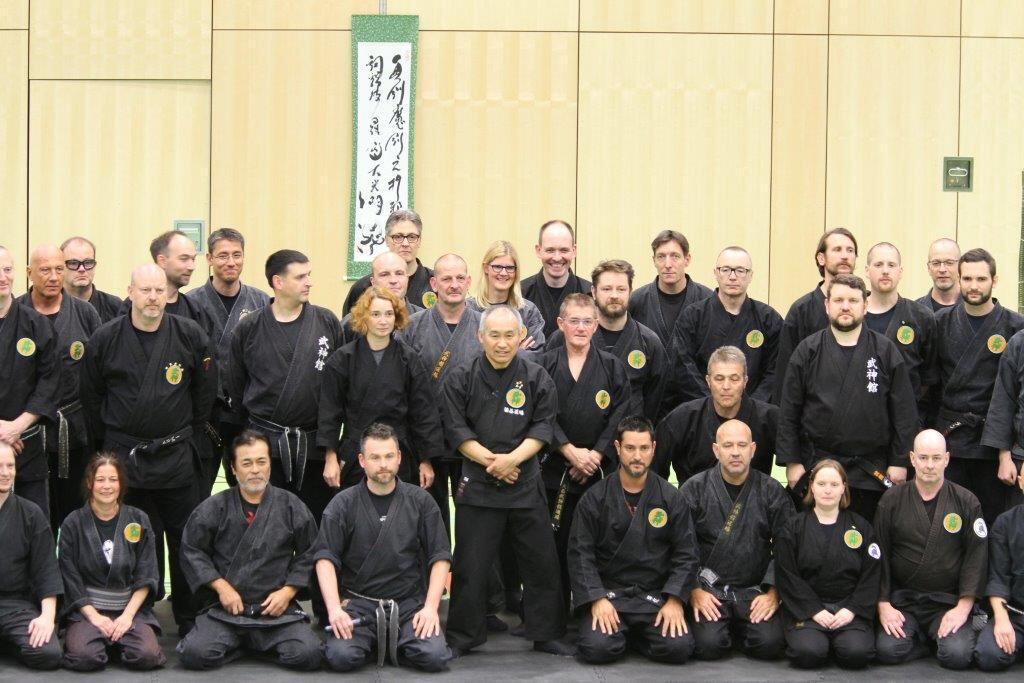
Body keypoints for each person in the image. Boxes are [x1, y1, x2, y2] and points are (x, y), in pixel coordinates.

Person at [80, 263, 217, 634]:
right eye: (146, 290)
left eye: (160, 291)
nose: (154, 298)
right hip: (127, 458)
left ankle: (189, 616)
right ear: (130, 292)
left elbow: (204, 393)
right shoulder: (106, 338)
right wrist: (114, 440)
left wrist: (184, 431)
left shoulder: (189, 334)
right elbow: (91, 397)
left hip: (176, 454)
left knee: (186, 537)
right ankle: (140, 614)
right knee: (135, 535)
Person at [442, 305, 572, 656]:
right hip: (478, 482)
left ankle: (546, 632)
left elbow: (543, 426)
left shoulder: (536, 376)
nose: (502, 343)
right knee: (470, 564)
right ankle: (463, 636)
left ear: (521, 337)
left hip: (524, 481)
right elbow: (456, 429)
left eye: (509, 335)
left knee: (541, 561)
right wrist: (493, 462)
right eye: (494, 335)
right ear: (480, 336)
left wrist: (512, 460)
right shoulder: (461, 376)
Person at [177, 430, 322, 671]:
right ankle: (254, 645)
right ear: (233, 469)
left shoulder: (291, 506)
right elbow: (192, 550)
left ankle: (244, 645)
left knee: (310, 654)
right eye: (247, 463)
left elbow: (311, 552)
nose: (255, 470)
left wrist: (288, 591)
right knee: (194, 653)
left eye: (261, 462)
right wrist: (221, 587)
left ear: (269, 465)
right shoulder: (214, 507)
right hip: (227, 612)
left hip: (275, 611)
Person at [778, 274, 918, 520]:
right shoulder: (807, 351)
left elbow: (904, 412)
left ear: (865, 305)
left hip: (871, 471)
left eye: (853, 301)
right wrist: (792, 462)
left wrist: (899, 461)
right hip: (819, 468)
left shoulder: (885, 351)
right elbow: (789, 410)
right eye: (838, 300)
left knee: (869, 537)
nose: (845, 306)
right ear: (827, 305)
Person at [316, 423, 452, 672]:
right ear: (362, 460)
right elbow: (325, 558)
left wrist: (431, 608)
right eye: (375, 457)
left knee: (435, 656)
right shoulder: (342, 504)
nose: (383, 464)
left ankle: (394, 639)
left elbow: (440, 556)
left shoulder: (421, 501)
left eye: (389, 456)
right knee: (340, 656)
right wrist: (335, 609)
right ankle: (383, 640)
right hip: (359, 604)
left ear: (399, 457)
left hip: (409, 604)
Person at [569, 416, 698, 665]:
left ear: (653, 448)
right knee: (596, 649)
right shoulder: (595, 498)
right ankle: (625, 634)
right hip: (610, 596)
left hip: (654, 598)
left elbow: (686, 553)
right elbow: (580, 554)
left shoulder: (671, 498)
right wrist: (597, 599)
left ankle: (632, 637)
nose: (637, 456)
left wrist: (674, 600)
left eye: (644, 448)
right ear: (617, 448)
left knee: (678, 648)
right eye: (630, 448)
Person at [228, 249, 344, 522]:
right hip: (265, 447)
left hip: (315, 446)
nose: (309, 282)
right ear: (278, 282)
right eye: (300, 277)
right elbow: (236, 387)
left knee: (314, 524)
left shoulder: (326, 322)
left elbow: (337, 391)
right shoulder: (249, 328)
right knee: (266, 526)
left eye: (309, 275)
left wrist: (331, 450)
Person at [538, 294, 631, 609]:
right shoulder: (544, 365)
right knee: (555, 544)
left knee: (597, 542)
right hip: (555, 470)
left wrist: (597, 453)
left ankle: (595, 608)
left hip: (597, 471)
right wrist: (568, 451)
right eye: (573, 321)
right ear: (560, 324)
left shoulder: (612, 367)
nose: (580, 327)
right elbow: (540, 414)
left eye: (587, 321)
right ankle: (554, 614)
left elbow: (620, 414)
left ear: (596, 325)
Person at [874, 429, 988, 670]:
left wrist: (963, 608)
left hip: (947, 603)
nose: (929, 465)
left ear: (946, 459)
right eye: (923, 457)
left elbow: (976, 557)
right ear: (912, 459)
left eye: (936, 458)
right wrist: (883, 604)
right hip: (904, 602)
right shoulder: (891, 500)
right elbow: (879, 554)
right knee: (887, 651)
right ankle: (926, 642)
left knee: (956, 656)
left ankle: (932, 639)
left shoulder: (966, 501)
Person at [681, 419, 794, 661]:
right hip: (708, 591)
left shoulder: (772, 490)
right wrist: (694, 590)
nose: (735, 452)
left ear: (753, 449)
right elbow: (679, 546)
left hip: (754, 591)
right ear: (716, 450)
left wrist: (773, 593)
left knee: (770, 644)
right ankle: (727, 629)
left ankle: (738, 629)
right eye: (728, 445)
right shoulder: (694, 489)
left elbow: (787, 546)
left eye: (742, 445)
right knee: (709, 646)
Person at [318, 286, 443, 490]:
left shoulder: (409, 359)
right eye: (375, 314)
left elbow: (423, 412)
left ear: (397, 317)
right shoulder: (343, 359)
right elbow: (329, 412)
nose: (383, 321)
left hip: (399, 452)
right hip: (356, 451)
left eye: (388, 314)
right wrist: (331, 457)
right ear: (363, 317)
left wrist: (425, 460)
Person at [933, 248, 1024, 523]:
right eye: (968, 279)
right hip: (951, 438)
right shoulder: (939, 323)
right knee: (950, 519)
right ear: (959, 279)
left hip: (992, 441)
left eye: (981, 279)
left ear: (994, 281)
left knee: (992, 518)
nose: (974, 286)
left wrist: (1006, 450)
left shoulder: (1015, 326)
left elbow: (1012, 395)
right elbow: (929, 385)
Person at [18, 244, 102, 530]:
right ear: (29, 273)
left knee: (75, 514)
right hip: (27, 432)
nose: (53, 277)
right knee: (32, 517)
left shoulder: (85, 313)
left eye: (58, 269)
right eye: (45, 270)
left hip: (74, 429)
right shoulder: (16, 313)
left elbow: (98, 373)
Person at [397, 254, 481, 534]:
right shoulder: (412, 327)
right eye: (446, 278)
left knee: (472, 521)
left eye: (460, 278)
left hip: (472, 439)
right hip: (425, 438)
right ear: (434, 284)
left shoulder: (485, 327)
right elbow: (403, 387)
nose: (454, 284)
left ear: (468, 282)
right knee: (428, 519)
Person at [59, 453, 165, 671]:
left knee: (147, 656)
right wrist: (95, 618)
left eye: (113, 479)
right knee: (84, 658)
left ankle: (113, 641)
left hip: (129, 609)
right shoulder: (73, 523)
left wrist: (127, 617)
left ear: (121, 484)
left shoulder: (138, 519)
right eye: (100, 479)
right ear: (89, 483)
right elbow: (70, 577)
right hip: (87, 610)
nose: (106, 486)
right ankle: (105, 641)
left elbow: (147, 573)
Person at [775, 460, 880, 670]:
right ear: (811, 486)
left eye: (834, 484)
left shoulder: (861, 527)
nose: (828, 490)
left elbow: (872, 574)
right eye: (821, 484)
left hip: (849, 610)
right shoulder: (793, 528)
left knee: (856, 654)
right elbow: (787, 575)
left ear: (843, 488)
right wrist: (814, 610)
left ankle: (841, 641)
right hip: (807, 610)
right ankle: (819, 640)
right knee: (808, 653)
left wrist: (851, 609)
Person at [186, 228, 270, 489]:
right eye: (223, 255)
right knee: (199, 487)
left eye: (237, 255)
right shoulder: (191, 303)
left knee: (248, 487)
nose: (231, 262)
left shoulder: (261, 301)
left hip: (246, 411)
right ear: (209, 259)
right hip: (205, 414)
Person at [547, 259, 667, 422]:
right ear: (594, 292)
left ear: (630, 292)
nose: (614, 295)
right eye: (607, 289)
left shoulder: (649, 342)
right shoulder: (564, 337)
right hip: (574, 432)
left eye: (621, 289)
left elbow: (655, 399)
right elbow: (547, 391)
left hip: (628, 433)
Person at [668, 246, 782, 405]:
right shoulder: (692, 317)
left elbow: (775, 371)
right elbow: (683, 368)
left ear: (750, 275)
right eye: (726, 270)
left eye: (740, 270)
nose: (733, 277)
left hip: (754, 412)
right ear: (716, 273)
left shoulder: (769, 319)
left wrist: (751, 408)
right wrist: (712, 405)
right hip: (703, 410)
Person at [656, 345, 778, 483]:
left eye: (734, 379)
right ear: (708, 381)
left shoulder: (769, 418)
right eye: (719, 378)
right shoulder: (682, 419)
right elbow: (654, 470)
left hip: (755, 496)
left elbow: (793, 462)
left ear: (745, 381)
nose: (726, 386)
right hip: (693, 496)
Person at [0, 247, 59, 516]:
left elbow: (50, 381)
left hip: (27, 444)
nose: (3, 277)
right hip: (10, 436)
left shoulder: (35, 324)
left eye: (7, 270)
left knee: (33, 524)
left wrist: (17, 427)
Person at [774, 227, 858, 401]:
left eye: (850, 250)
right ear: (821, 258)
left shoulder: (863, 307)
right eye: (837, 249)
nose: (845, 256)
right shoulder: (801, 310)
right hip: (812, 407)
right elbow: (785, 373)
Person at [0, 443, 63, 670]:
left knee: (48, 653)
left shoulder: (31, 513)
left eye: (10, 466)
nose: (5, 473)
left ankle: (8, 641)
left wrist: (47, 617)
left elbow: (46, 570)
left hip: (16, 605)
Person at [862, 242, 937, 411]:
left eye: (891, 265)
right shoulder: (853, 316)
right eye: (878, 265)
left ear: (900, 272)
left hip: (906, 415)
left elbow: (928, 377)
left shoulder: (922, 317)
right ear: (867, 270)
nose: (885, 271)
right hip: (860, 415)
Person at [973, 471, 1024, 671]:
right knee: (989, 655)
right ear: (1021, 482)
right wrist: (1002, 621)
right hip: (1017, 615)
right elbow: (997, 578)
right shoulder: (1005, 522)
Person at [628, 230, 712, 347]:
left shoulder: (708, 300)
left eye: (675, 256)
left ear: (687, 260)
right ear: (654, 261)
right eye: (661, 257)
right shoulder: (636, 301)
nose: (668, 264)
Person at [342, 209, 435, 315]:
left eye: (412, 237)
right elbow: (350, 324)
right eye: (398, 237)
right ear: (386, 240)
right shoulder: (362, 288)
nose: (405, 243)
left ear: (419, 241)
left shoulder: (436, 284)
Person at [467, 241, 545, 350]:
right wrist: (516, 352)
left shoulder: (528, 311)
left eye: (509, 268)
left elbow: (536, 354)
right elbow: (466, 353)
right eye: (497, 267)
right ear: (486, 268)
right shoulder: (468, 310)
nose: (503, 273)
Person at [521, 220, 591, 339]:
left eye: (564, 250)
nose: (557, 258)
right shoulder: (520, 293)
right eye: (550, 250)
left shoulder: (590, 294)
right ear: (538, 250)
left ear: (574, 251)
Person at [340, 251, 423, 343]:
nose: (393, 280)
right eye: (384, 274)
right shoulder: (352, 322)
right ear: (373, 282)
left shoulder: (424, 320)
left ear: (407, 278)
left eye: (399, 273)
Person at [61, 236, 123, 323]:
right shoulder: (49, 307)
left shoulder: (115, 307)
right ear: (60, 267)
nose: (82, 269)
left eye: (88, 262)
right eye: (73, 263)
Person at [917, 238, 963, 313]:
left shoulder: (975, 309)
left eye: (949, 263)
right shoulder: (913, 312)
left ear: (960, 266)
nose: (942, 269)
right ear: (929, 268)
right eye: (936, 263)